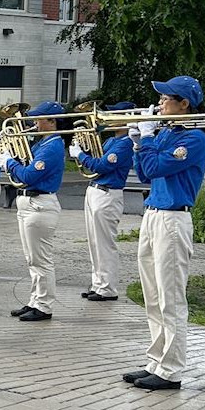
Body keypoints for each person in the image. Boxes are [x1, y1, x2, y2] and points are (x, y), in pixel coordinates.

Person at [123, 76, 205, 391]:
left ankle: (170, 370)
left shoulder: (195, 138)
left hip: (173, 219)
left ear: (184, 103)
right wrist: (137, 143)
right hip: (153, 216)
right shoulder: (167, 133)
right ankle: (156, 360)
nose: (158, 104)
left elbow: (159, 167)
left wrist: (146, 141)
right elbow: (145, 172)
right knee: (153, 295)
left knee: (170, 297)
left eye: (165, 99)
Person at [0, 102, 67, 322]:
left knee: (41, 260)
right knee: (32, 259)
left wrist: (9, 162)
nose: (34, 124)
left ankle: (44, 306)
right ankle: (35, 300)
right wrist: (13, 157)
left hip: (40, 204)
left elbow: (28, 176)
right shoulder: (43, 143)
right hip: (30, 203)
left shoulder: (52, 146)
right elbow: (26, 165)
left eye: (39, 120)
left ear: (52, 121)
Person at [71, 102, 136, 302]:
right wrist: (83, 148)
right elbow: (95, 160)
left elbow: (102, 166)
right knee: (94, 242)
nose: (108, 117)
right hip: (96, 190)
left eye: (114, 114)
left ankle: (108, 288)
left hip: (108, 193)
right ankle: (98, 284)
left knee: (104, 243)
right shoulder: (110, 141)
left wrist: (80, 154)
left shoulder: (125, 143)